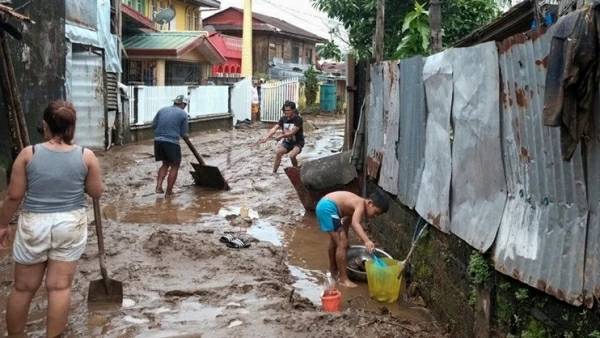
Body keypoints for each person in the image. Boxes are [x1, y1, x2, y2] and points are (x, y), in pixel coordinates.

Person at [0, 101, 104, 337]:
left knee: (23, 289)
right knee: (59, 288)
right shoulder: (86, 156)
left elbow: (14, 196)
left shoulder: (29, 154)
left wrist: (2, 224)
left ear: (45, 125)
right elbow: (96, 192)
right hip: (70, 224)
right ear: (72, 126)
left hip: (34, 223)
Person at [315, 190, 389, 288]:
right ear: (370, 203)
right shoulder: (360, 204)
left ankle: (333, 269)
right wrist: (366, 240)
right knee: (342, 243)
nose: (375, 216)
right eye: (376, 212)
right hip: (327, 208)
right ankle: (343, 279)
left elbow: (346, 223)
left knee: (337, 241)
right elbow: (355, 223)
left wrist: (345, 239)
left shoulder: (355, 204)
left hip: (325, 206)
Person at [152, 94, 190, 197]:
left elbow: (153, 125)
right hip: (171, 142)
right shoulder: (183, 114)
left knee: (165, 164)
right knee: (175, 165)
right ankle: (169, 192)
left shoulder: (162, 110)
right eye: (185, 105)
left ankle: (158, 187)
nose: (185, 107)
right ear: (182, 104)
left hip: (158, 141)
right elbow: (184, 133)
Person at [259, 101, 304, 173]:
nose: (286, 112)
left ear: (293, 110)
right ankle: (274, 172)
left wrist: (281, 136)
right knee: (278, 153)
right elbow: (274, 128)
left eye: (288, 110)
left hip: (298, 142)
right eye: (285, 111)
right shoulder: (283, 119)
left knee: (292, 155)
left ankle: (296, 170)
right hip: (287, 142)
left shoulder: (298, 119)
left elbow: (293, 132)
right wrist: (266, 137)